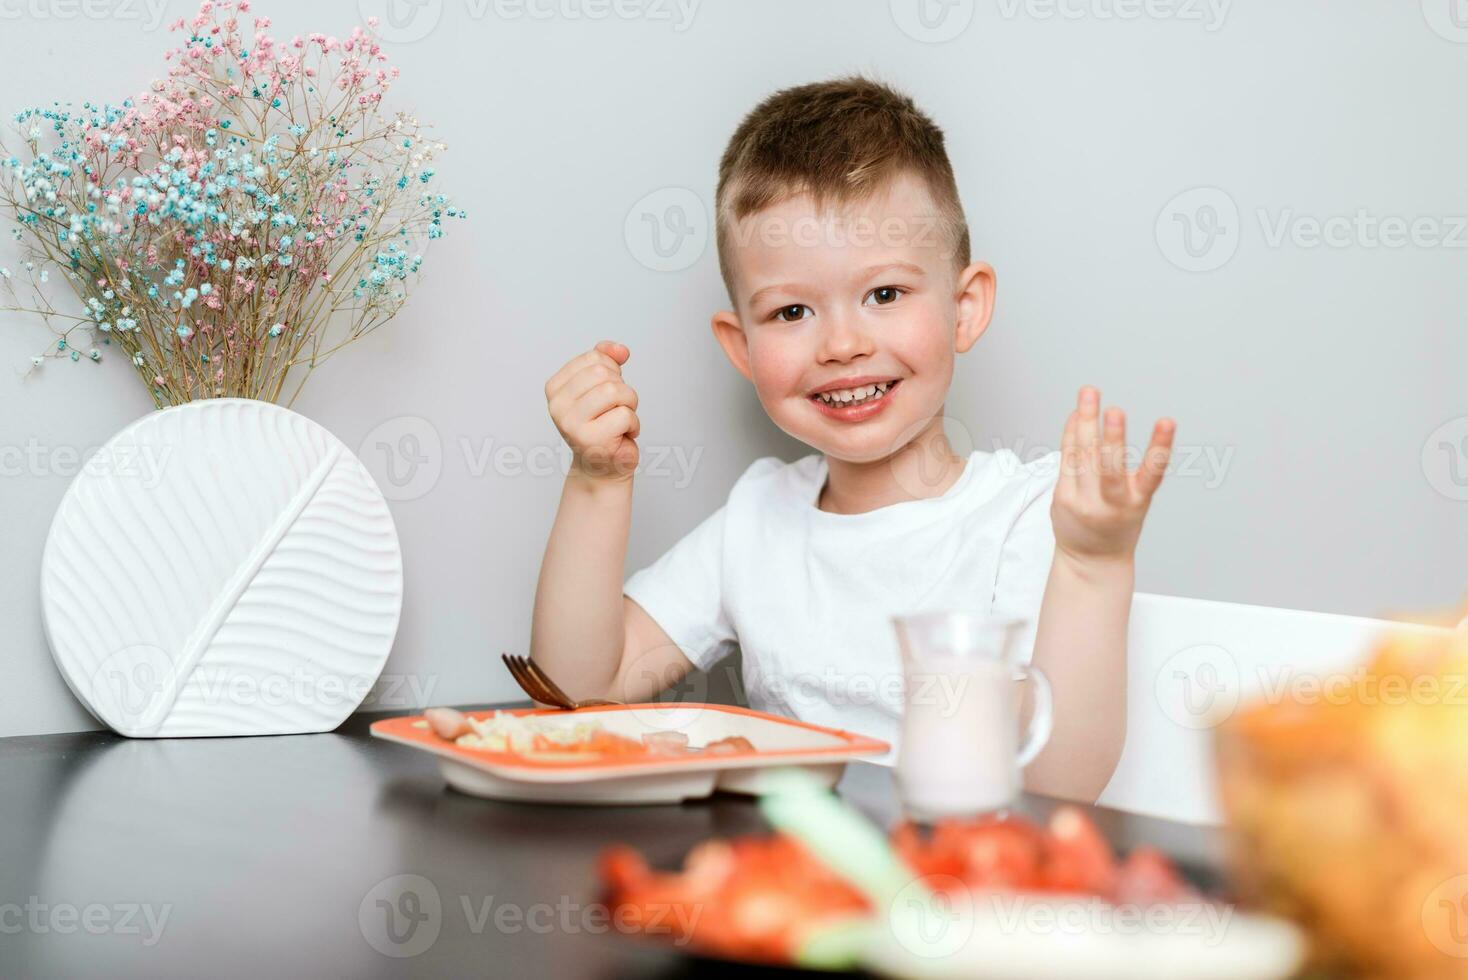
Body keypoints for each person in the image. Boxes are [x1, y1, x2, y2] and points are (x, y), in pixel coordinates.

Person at [530, 76, 1174, 802]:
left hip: (959, 893)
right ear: (740, 347)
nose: (840, 344)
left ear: (964, 308)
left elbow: (1060, 782)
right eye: (793, 310)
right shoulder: (757, 520)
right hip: (791, 895)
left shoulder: (1028, 518)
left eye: (885, 295)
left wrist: (1093, 564)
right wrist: (596, 480)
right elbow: (577, 693)